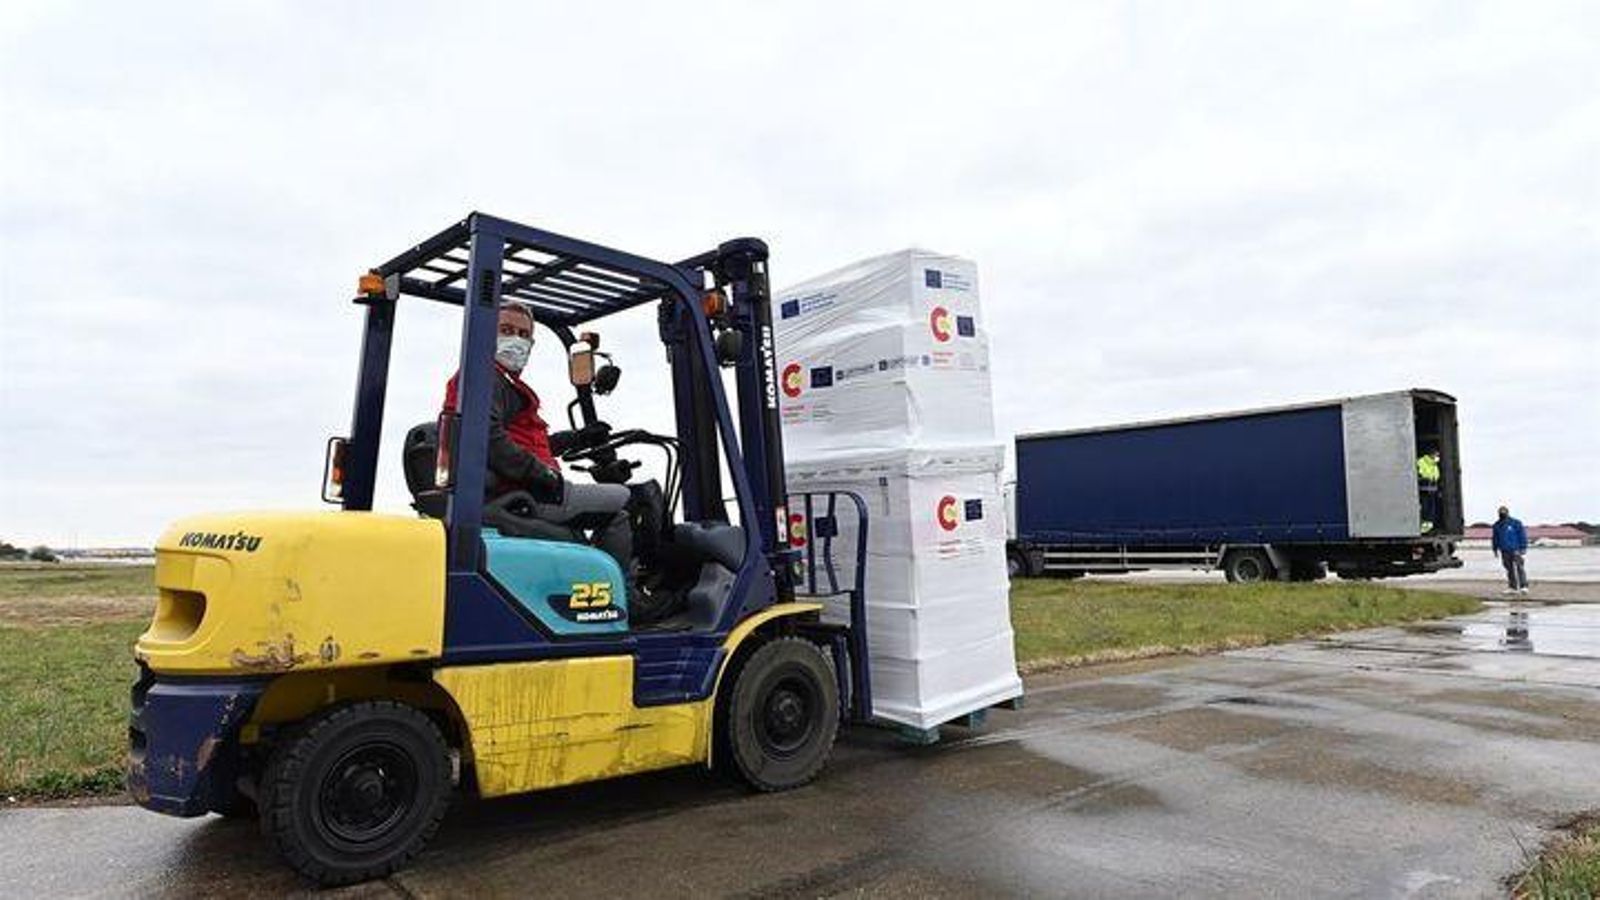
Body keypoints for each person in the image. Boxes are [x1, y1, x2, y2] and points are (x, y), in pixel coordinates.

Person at [443, 302, 633, 570]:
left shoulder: (501, 384)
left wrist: (575, 439)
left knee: (605, 508)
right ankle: (627, 596)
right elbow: (488, 439)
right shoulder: (485, 378)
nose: (516, 340)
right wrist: (545, 476)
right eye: (507, 330)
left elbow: (518, 442)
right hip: (527, 491)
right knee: (629, 502)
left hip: (520, 486)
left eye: (524, 335)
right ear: (486, 335)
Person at [1490, 505, 1529, 595]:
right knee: (1509, 569)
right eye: (1500, 513)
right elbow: (1495, 538)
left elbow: (1522, 535)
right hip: (1504, 550)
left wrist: (1523, 547)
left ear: (1507, 513)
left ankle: (1524, 586)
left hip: (1516, 549)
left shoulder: (1516, 523)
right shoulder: (1496, 525)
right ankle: (1513, 587)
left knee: (1519, 568)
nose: (1502, 514)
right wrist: (1495, 549)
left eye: (1504, 512)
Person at [1416, 447, 1442, 533]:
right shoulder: (1421, 462)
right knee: (1425, 508)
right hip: (1423, 490)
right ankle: (1423, 528)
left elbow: (1436, 477)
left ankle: (1428, 527)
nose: (1438, 457)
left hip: (1432, 491)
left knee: (1431, 510)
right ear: (1431, 454)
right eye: (1436, 455)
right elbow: (1418, 475)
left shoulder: (1434, 464)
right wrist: (1425, 480)